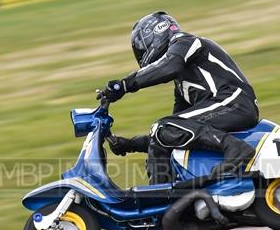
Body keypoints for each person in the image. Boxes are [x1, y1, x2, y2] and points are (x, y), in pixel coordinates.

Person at [99, 11, 259, 184]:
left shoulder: (187, 41)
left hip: (235, 102)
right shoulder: (181, 83)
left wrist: (124, 84)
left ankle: (236, 149)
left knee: (163, 126)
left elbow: (169, 65)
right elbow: (172, 133)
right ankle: (160, 200)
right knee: (165, 130)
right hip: (227, 107)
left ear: (154, 34)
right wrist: (130, 144)